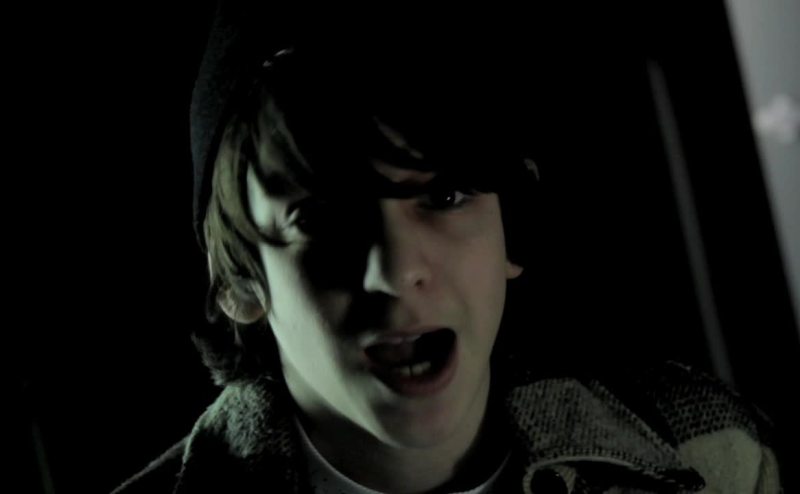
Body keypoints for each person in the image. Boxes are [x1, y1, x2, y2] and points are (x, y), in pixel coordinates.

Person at [112, 5, 781, 493]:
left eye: (446, 194)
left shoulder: (713, 456)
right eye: (321, 218)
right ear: (237, 280)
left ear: (511, 230)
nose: (397, 270)